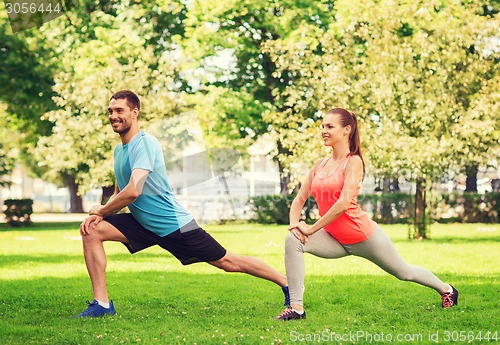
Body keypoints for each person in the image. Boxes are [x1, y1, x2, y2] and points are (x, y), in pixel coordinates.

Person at [74, 90, 289, 318]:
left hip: (174, 224)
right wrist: (101, 216)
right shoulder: (120, 150)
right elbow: (120, 191)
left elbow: (133, 191)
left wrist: (101, 209)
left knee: (228, 262)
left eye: (119, 111)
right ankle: (102, 304)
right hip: (142, 223)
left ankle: (286, 283)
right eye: (110, 111)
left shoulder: (145, 144)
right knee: (92, 230)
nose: (113, 116)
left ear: (134, 113)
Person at [275, 108, 459, 320]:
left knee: (404, 272)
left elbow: (343, 203)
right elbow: (299, 199)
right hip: (334, 238)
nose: (324, 130)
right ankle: (297, 308)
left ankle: (447, 290)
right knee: (293, 240)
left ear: (347, 130)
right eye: (323, 126)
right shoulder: (320, 164)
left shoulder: (353, 162)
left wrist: (310, 228)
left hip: (363, 236)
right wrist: (295, 225)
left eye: (330, 126)